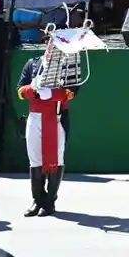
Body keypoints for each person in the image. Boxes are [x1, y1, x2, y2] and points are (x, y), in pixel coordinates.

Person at [16, 51, 76, 217]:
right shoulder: (33, 63)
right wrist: (33, 90)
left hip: (56, 117)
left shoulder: (68, 65)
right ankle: (37, 199)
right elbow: (19, 89)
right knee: (35, 159)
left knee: (57, 158)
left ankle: (50, 201)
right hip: (35, 116)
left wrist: (53, 94)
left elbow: (73, 91)